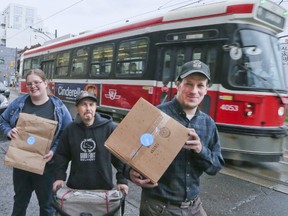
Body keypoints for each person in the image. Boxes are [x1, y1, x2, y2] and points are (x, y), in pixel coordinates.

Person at [125, 60, 225, 216]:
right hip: (159, 207)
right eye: (188, 84)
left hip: (194, 206)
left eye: (200, 85)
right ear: (178, 84)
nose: (194, 91)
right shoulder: (155, 115)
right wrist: (128, 171)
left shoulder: (208, 123)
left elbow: (216, 166)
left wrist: (200, 150)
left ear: (206, 89)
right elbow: (122, 147)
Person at [0, 69, 72, 216]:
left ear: (45, 83)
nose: (33, 86)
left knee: (47, 205)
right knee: (20, 201)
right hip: (21, 164)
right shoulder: (19, 103)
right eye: (29, 84)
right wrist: (8, 131)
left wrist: (54, 150)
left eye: (36, 82)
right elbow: (2, 120)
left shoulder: (59, 107)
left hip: (47, 167)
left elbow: (67, 133)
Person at [52, 91, 128, 197]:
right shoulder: (70, 130)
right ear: (77, 108)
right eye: (83, 104)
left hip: (103, 188)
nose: (88, 108)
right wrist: (59, 178)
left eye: (91, 104)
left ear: (96, 107)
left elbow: (120, 157)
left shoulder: (109, 128)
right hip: (76, 189)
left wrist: (122, 180)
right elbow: (61, 156)